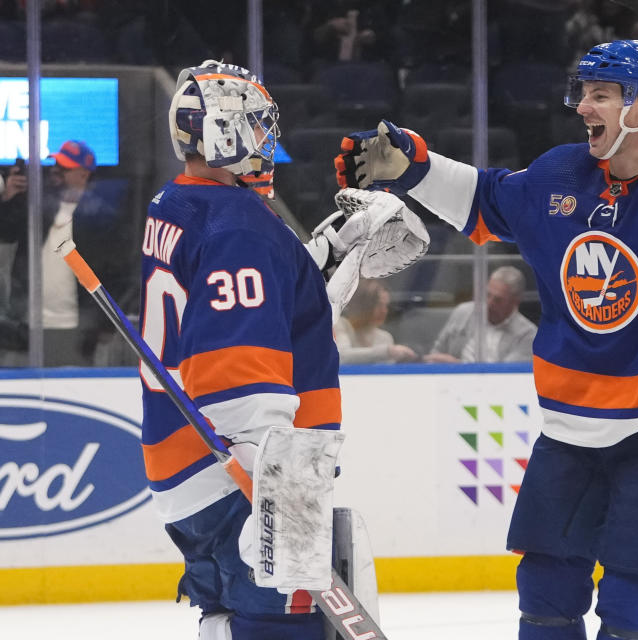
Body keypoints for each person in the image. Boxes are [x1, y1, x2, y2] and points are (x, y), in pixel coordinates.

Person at [336, 39, 638, 640]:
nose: (582, 106)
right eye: (582, 93)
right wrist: (413, 169)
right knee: (546, 588)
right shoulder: (559, 173)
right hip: (571, 419)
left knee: (633, 598)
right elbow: (485, 197)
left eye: (600, 94)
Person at [145, 59, 416, 639]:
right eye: (258, 126)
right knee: (284, 628)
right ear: (225, 132)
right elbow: (237, 359)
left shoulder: (178, 204)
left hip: (186, 467)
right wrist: (273, 483)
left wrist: (315, 261)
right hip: (248, 470)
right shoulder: (241, 226)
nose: (268, 142)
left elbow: (253, 309)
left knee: (226, 617)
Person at [0, 140, 132, 365]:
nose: (56, 170)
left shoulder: (100, 217)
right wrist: (7, 199)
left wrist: (104, 325)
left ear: (83, 175)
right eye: (56, 164)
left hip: (76, 330)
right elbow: (7, 233)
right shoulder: (39, 206)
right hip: (28, 325)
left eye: (65, 167)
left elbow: (114, 274)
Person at [424, 265, 536, 364]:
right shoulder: (463, 312)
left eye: (498, 300)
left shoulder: (528, 335)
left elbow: (506, 376)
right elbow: (436, 353)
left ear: (515, 301)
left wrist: (459, 367)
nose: (489, 303)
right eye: (488, 294)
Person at [334, 278, 419, 363]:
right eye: (378, 304)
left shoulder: (384, 338)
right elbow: (341, 357)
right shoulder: (340, 325)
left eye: (385, 305)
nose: (384, 311)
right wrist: (387, 352)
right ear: (362, 305)